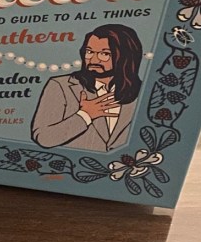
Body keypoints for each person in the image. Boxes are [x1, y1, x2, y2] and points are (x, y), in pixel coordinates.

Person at [30, 24, 144, 152]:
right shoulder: (62, 85)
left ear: (125, 56)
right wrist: (85, 115)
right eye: (89, 52)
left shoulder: (143, 91)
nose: (94, 59)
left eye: (104, 54)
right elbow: (43, 137)